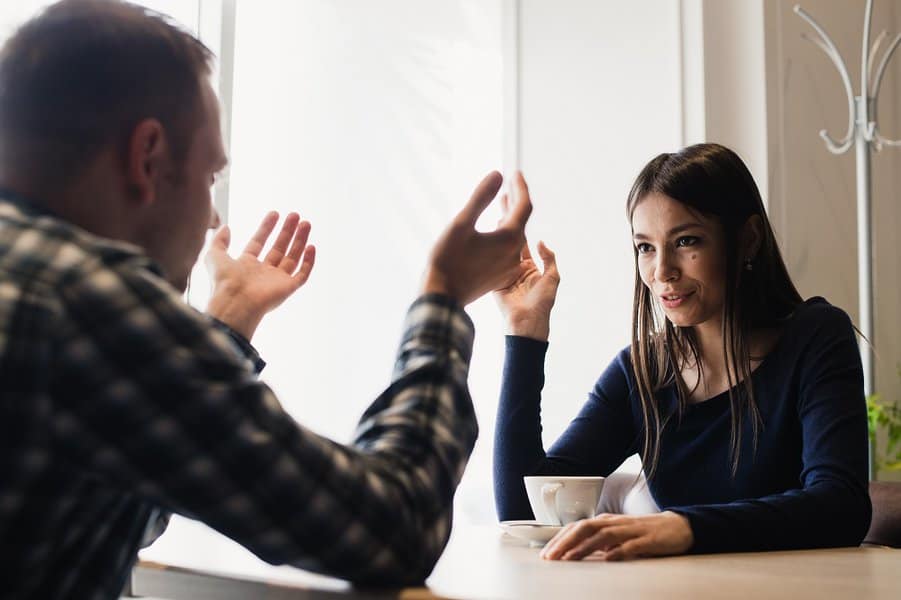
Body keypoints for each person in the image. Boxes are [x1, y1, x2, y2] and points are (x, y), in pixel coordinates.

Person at [0, 1, 533, 597]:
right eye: (209, 178)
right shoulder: (83, 298)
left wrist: (225, 323)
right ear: (146, 158)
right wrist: (445, 296)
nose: (212, 216)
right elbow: (392, 526)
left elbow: (109, 504)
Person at [493, 143, 871, 561]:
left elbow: (841, 506)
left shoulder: (815, 338)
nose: (662, 272)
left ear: (747, 240)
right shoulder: (641, 373)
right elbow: (524, 511)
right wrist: (525, 335)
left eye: (686, 241)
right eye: (645, 247)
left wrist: (685, 526)